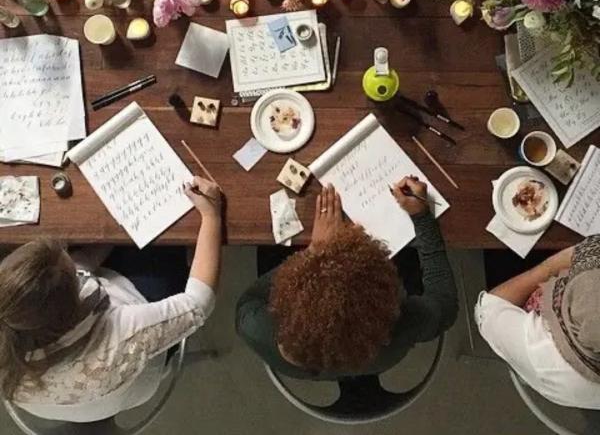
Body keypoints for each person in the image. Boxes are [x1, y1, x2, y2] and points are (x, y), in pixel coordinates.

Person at [0, 176, 222, 422]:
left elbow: (82, 265)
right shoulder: (121, 335)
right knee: (168, 242)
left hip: (67, 403)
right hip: (133, 375)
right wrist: (211, 216)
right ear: (77, 297)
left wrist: (119, 227)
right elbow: (199, 303)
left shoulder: (15, 321)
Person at [236, 179, 457, 379]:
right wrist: (422, 217)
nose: (358, 226)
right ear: (389, 302)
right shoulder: (403, 325)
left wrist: (314, 251)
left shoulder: (254, 326)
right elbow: (445, 304)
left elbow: (250, 298)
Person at [476, 235, 600, 408]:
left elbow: (488, 309)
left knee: (499, 256)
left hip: (530, 320)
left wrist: (550, 266)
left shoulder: (545, 355)